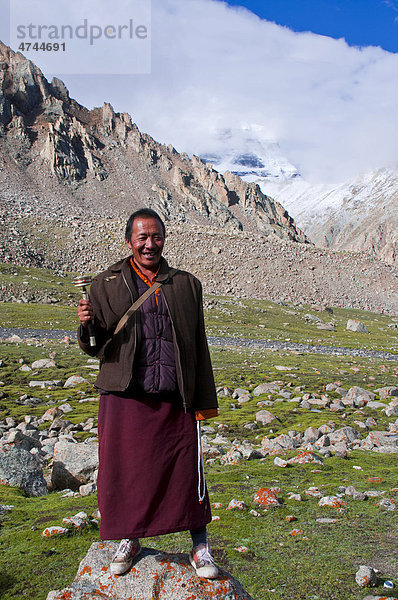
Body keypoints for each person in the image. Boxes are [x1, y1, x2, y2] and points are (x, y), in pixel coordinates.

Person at [77, 208, 219, 579]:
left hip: (175, 396)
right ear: (128, 242)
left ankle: (200, 544)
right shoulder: (104, 284)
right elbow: (96, 347)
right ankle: (130, 537)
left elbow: (197, 344)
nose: (149, 244)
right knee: (126, 472)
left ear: (164, 239)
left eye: (155, 236)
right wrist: (87, 326)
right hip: (127, 396)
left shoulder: (186, 285)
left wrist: (204, 401)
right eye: (142, 237)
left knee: (186, 470)